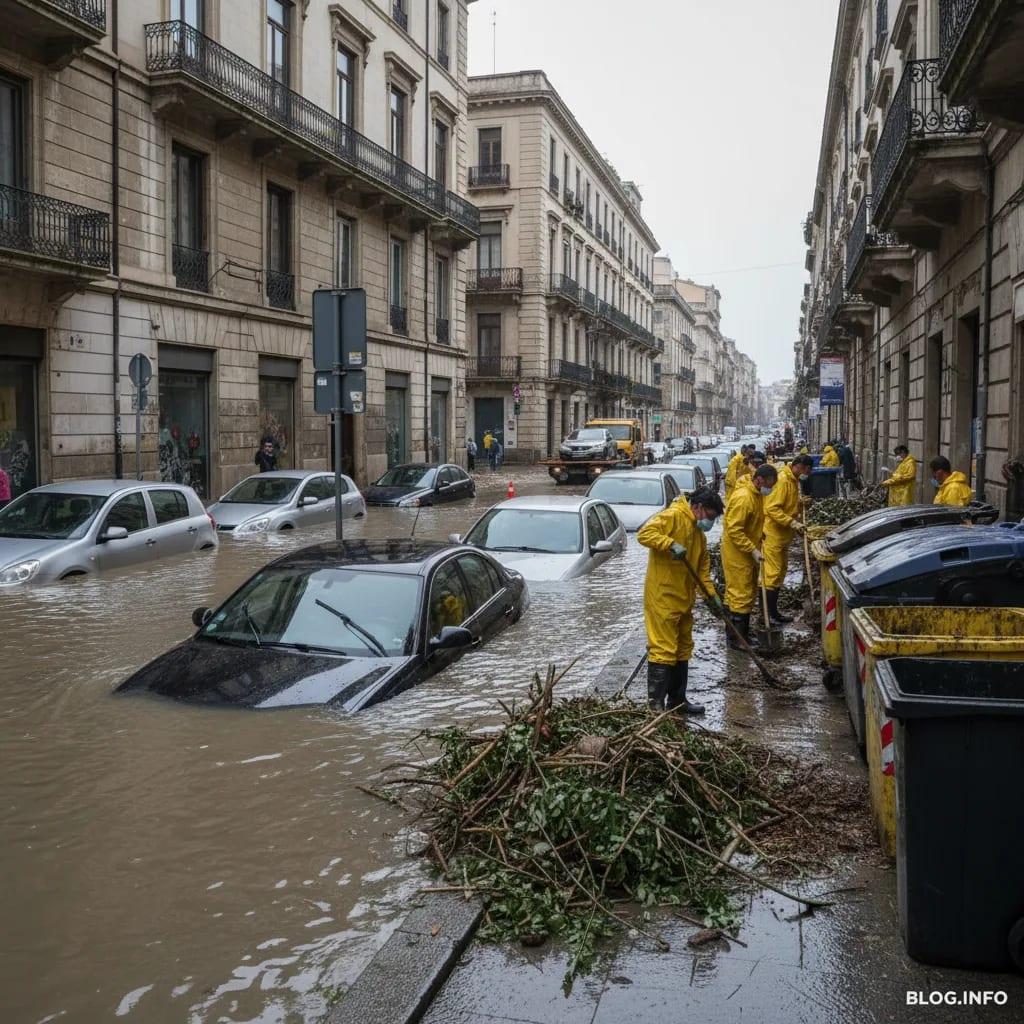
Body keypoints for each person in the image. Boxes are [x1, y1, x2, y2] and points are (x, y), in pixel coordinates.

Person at [637, 486, 726, 715]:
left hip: (684, 598)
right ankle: (655, 706)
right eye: (710, 516)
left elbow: (702, 573)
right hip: (663, 596)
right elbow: (644, 533)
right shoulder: (674, 516)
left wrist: (712, 597)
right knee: (663, 649)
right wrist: (669, 544)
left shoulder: (699, 535)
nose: (710, 523)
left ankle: (677, 700)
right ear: (697, 507)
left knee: (683, 649)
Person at [722, 464, 777, 648]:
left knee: (738, 593)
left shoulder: (756, 495)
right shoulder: (744, 498)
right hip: (738, 553)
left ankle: (736, 633)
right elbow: (734, 530)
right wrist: (751, 549)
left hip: (745, 551)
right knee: (741, 594)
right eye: (770, 484)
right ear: (759, 479)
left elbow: (752, 523)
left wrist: (760, 538)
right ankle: (738, 640)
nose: (771, 488)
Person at [762, 455, 814, 625]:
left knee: (780, 571)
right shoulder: (783, 480)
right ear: (798, 466)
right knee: (772, 573)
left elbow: (787, 503)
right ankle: (767, 615)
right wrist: (792, 522)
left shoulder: (793, 480)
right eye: (807, 470)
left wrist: (799, 503)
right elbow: (772, 508)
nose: (808, 473)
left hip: (784, 535)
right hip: (773, 534)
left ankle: (773, 612)